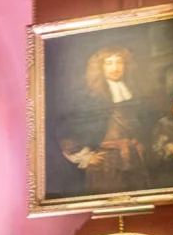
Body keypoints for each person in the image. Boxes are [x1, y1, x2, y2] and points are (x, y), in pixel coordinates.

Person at [58, 44, 149, 197]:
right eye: (109, 63)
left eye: (119, 62)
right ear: (100, 67)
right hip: (105, 166)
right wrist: (86, 157)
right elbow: (67, 132)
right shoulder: (89, 99)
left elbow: (146, 126)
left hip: (134, 161)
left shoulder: (135, 95)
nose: (115, 68)